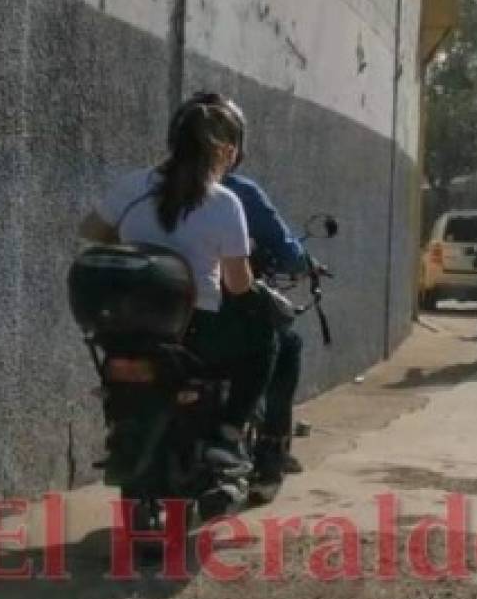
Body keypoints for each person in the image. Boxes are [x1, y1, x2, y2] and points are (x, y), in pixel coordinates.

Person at [78, 93, 278, 467]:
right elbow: (237, 285)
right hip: (196, 329)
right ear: (224, 150)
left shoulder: (133, 185)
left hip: (128, 325)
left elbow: (90, 230)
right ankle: (230, 433)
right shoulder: (223, 202)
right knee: (265, 340)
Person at [167, 98, 308, 488]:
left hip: (152, 322)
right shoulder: (233, 196)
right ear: (228, 148)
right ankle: (266, 452)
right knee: (282, 342)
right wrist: (301, 262)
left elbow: (98, 232)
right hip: (208, 321)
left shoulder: (143, 184)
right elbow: (249, 275)